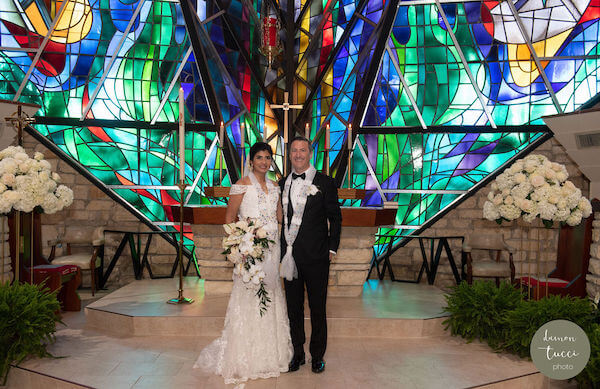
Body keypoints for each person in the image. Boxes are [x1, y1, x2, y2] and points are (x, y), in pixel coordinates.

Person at [194, 142, 293, 385]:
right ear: (251, 161)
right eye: (259, 157)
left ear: (271, 161)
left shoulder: (274, 187)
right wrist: (238, 246)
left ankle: (271, 353)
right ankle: (246, 355)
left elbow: (280, 216)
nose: (264, 162)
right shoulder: (241, 184)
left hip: (272, 248)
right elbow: (230, 218)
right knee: (249, 296)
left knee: (271, 294)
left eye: (268, 158)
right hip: (250, 250)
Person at [279, 136, 342, 374]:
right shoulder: (283, 182)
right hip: (290, 258)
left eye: (302, 150)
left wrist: (332, 248)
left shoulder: (325, 182)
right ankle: (297, 353)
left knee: (317, 308)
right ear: (289, 154)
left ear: (310, 153)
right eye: (294, 151)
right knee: (293, 308)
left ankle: (317, 355)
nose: (298, 154)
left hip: (317, 257)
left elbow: (335, 218)